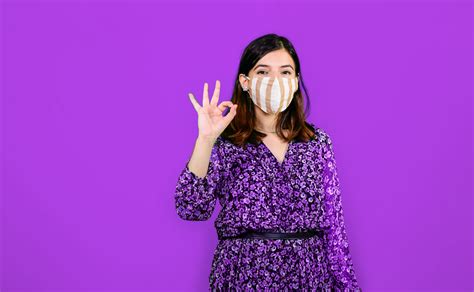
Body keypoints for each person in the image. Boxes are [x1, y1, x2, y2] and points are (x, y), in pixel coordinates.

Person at [174, 33, 361, 291]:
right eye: (263, 72)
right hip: (245, 274)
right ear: (245, 82)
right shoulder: (226, 144)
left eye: (285, 72)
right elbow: (191, 207)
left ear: (295, 82)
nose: (275, 80)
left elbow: (335, 226)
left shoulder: (317, 143)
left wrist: (347, 286)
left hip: (309, 276)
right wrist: (205, 139)